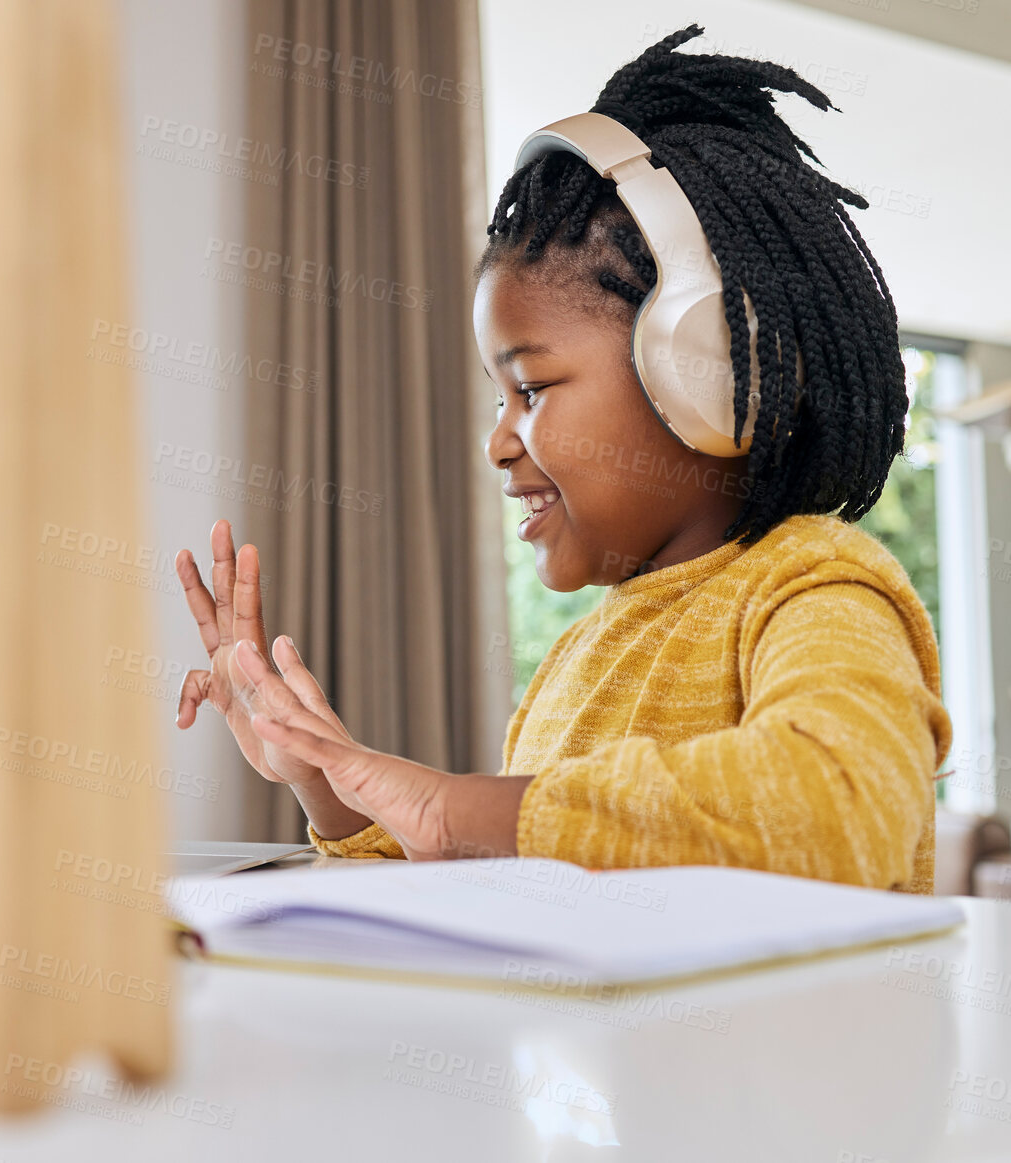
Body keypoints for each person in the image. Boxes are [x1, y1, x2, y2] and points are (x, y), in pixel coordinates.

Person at [173, 25, 951, 893]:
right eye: (494, 400)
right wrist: (328, 781)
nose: (496, 439)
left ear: (700, 369)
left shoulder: (816, 590)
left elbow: (838, 811)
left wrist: (449, 808)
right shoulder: (573, 662)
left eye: (531, 391)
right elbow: (521, 867)